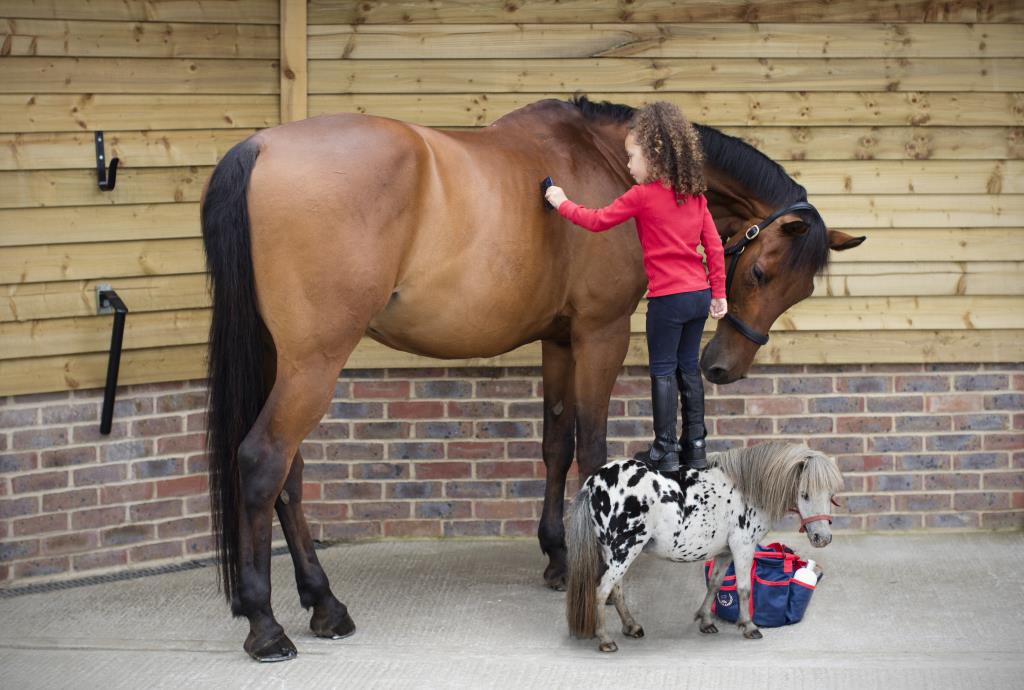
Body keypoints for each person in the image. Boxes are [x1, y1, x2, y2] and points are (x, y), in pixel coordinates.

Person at [544, 102, 726, 476]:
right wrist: (719, 294)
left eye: (632, 157)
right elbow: (714, 247)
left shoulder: (642, 195)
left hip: (668, 300)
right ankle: (695, 446)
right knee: (688, 370)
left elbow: (596, 222)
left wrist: (560, 202)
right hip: (697, 296)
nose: (628, 166)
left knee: (662, 370)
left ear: (654, 156)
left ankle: (665, 449)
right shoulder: (695, 197)